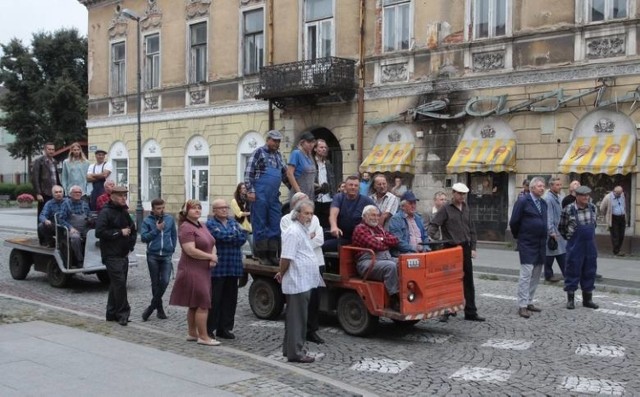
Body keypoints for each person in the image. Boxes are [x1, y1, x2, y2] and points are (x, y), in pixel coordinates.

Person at [427, 183, 485, 322]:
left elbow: (472, 229)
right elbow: (434, 225)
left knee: (468, 281)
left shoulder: (466, 208)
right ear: (453, 193)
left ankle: (470, 312)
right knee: (448, 280)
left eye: (464, 194)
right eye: (459, 194)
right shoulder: (446, 209)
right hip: (450, 248)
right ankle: (446, 311)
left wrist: (473, 247)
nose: (462, 196)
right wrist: (428, 240)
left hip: (465, 248)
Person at [275, 199, 323, 363]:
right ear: (297, 214)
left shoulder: (302, 229)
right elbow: (286, 257)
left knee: (297, 317)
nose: (309, 216)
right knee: (298, 318)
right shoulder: (293, 231)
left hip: (304, 280)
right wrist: (281, 272)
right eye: (306, 213)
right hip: (297, 281)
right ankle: (296, 352)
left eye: (311, 213)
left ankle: (290, 349)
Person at [169, 200, 221, 346]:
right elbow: (190, 250)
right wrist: (210, 256)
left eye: (199, 208)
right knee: (203, 303)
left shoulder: (201, 225)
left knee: (194, 303)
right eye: (194, 209)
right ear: (186, 211)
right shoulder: (186, 227)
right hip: (192, 269)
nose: (197, 210)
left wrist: (212, 256)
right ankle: (203, 337)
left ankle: (192, 333)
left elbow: (212, 242)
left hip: (203, 268)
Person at [244, 130, 288, 266]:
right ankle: (261, 255)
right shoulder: (258, 152)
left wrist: (297, 190)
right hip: (259, 194)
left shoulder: (279, 156)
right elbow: (248, 173)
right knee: (260, 224)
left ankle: (272, 254)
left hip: (274, 196)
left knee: (275, 223)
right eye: (274, 141)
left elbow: (285, 175)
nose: (277, 143)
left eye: (279, 141)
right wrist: (250, 191)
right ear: (268, 140)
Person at [95, 186, 137, 326]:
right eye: (120, 196)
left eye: (125, 196)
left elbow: (132, 229)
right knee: (119, 284)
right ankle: (123, 313)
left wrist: (130, 245)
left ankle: (111, 313)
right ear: (112, 196)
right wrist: (119, 232)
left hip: (123, 254)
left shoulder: (124, 212)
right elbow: (99, 232)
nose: (123, 198)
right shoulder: (105, 212)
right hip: (111, 254)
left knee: (116, 284)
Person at [206, 199, 247, 340]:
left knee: (230, 300)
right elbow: (218, 236)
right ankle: (210, 328)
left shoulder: (233, 222)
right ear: (214, 210)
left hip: (233, 267)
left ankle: (225, 328)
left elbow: (243, 237)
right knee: (215, 300)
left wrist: (231, 237)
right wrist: (233, 236)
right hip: (218, 268)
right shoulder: (210, 224)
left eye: (226, 207)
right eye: (221, 208)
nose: (225, 209)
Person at [509, 177, 548, 319]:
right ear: (532, 188)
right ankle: (522, 305)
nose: (542, 188)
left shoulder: (543, 203)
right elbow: (514, 221)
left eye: (543, 186)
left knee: (536, 274)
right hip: (527, 243)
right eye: (539, 186)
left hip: (541, 243)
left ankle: (529, 300)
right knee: (526, 274)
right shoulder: (523, 201)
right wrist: (519, 236)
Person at [352, 205, 401, 310]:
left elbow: (395, 240)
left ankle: (406, 292)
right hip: (366, 262)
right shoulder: (360, 229)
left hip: (384, 258)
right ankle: (394, 298)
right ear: (364, 216)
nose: (375, 218)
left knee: (403, 262)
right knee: (390, 266)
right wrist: (384, 241)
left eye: (377, 215)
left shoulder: (379, 228)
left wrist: (381, 239)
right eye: (372, 215)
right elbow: (376, 245)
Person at [559, 186, 599, 310]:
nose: (586, 197)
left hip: (590, 246)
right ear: (577, 196)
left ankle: (587, 299)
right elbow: (561, 227)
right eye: (583, 195)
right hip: (575, 246)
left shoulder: (593, 207)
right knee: (572, 271)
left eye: (588, 195)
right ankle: (570, 300)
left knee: (590, 271)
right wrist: (570, 238)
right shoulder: (568, 209)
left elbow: (595, 225)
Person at [140, 198, 177, 322]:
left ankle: (151, 308)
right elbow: (144, 238)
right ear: (153, 209)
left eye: (162, 208)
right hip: (153, 255)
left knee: (165, 281)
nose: (161, 211)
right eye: (158, 208)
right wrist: (157, 229)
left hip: (166, 254)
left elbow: (173, 235)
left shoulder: (170, 219)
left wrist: (172, 248)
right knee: (155, 283)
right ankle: (160, 310)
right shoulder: (147, 221)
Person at [324, 175, 375, 251]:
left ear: (359, 188)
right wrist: (334, 226)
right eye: (350, 185)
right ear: (345, 187)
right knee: (318, 238)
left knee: (324, 245)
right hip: (338, 233)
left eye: (356, 185)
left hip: (353, 237)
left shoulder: (366, 200)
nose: (353, 187)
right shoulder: (339, 197)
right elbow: (333, 214)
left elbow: (377, 215)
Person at [32, 142, 60, 243]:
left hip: (54, 193)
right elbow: (35, 178)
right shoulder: (39, 161)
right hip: (44, 193)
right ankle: (42, 238)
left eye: (53, 149)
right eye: (49, 149)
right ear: (45, 150)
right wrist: (38, 193)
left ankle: (50, 237)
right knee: (42, 215)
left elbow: (56, 177)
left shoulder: (54, 161)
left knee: (53, 215)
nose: (51, 151)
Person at [59, 185, 91, 266]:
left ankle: (92, 259)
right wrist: (70, 228)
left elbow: (89, 216)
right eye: (75, 192)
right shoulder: (66, 204)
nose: (77, 194)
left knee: (94, 235)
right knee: (75, 238)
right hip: (72, 229)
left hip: (84, 229)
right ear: (70, 194)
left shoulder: (85, 204)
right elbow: (61, 219)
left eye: (79, 192)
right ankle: (80, 260)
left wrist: (90, 220)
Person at [389, 191, 428, 255]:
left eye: (414, 203)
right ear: (403, 206)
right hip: (405, 252)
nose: (413, 206)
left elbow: (425, 236)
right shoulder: (396, 219)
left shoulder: (419, 218)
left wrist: (426, 248)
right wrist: (414, 249)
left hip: (422, 252)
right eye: (410, 203)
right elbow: (398, 241)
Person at [543, 177, 566, 282]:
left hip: (559, 230)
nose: (559, 187)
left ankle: (566, 274)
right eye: (557, 185)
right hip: (553, 231)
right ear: (551, 186)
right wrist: (551, 231)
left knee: (559, 252)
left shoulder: (559, 197)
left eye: (560, 184)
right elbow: (549, 216)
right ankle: (548, 275)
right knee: (551, 253)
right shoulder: (548, 198)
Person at [286, 132, 317, 202]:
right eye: (308, 142)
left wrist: (319, 186)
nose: (311, 145)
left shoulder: (310, 156)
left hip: (310, 195)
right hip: (299, 195)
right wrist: (299, 193)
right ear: (302, 142)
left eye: (313, 142)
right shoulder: (296, 153)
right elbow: (289, 174)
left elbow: (309, 179)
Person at [313, 139, 336, 229]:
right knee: (315, 224)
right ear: (315, 149)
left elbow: (332, 180)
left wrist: (333, 195)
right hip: (315, 198)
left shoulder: (328, 163)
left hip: (328, 198)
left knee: (326, 225)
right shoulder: (311, 163)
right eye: (321, 147)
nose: (324, 149)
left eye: (325, 147)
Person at [599, 186, 627, 256]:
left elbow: (624, 205)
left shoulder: (622, 195)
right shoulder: (608, 197)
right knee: (615, 235)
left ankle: (618, 249)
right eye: (618, 193)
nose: (619, 195)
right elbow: (602, 208)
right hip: (613, 218)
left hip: (622, 217)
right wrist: (607, 215)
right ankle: (616, 251)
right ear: (614, 191)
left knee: (621, 235)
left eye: (620, 193)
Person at [230, 182, 253, 255]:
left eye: (246, 188)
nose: (245, 189)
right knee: (241, 244)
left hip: (249, 223)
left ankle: (254, 256)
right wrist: (249, 213)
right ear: (239, 190)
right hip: (240, 224)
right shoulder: (234, 201)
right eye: (243, 188)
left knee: (253, 243)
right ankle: (240, 258)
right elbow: (238, 214)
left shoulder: (249, 199)